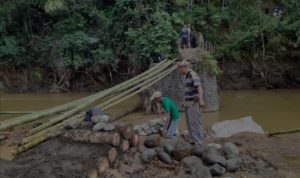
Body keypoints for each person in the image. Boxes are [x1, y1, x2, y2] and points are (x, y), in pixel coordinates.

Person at [177, 60, 206, 147]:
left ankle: (199, 143)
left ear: (183, 67)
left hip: (193, 103)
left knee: (194, 123)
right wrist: (184, 101)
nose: (179, 71)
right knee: (190, 123)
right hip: (188, 103)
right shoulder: (187, 75)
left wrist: (201, 100)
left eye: (179, 69)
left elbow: (199, 87)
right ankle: (193, 140)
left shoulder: (193, 74)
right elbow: (189, 92)